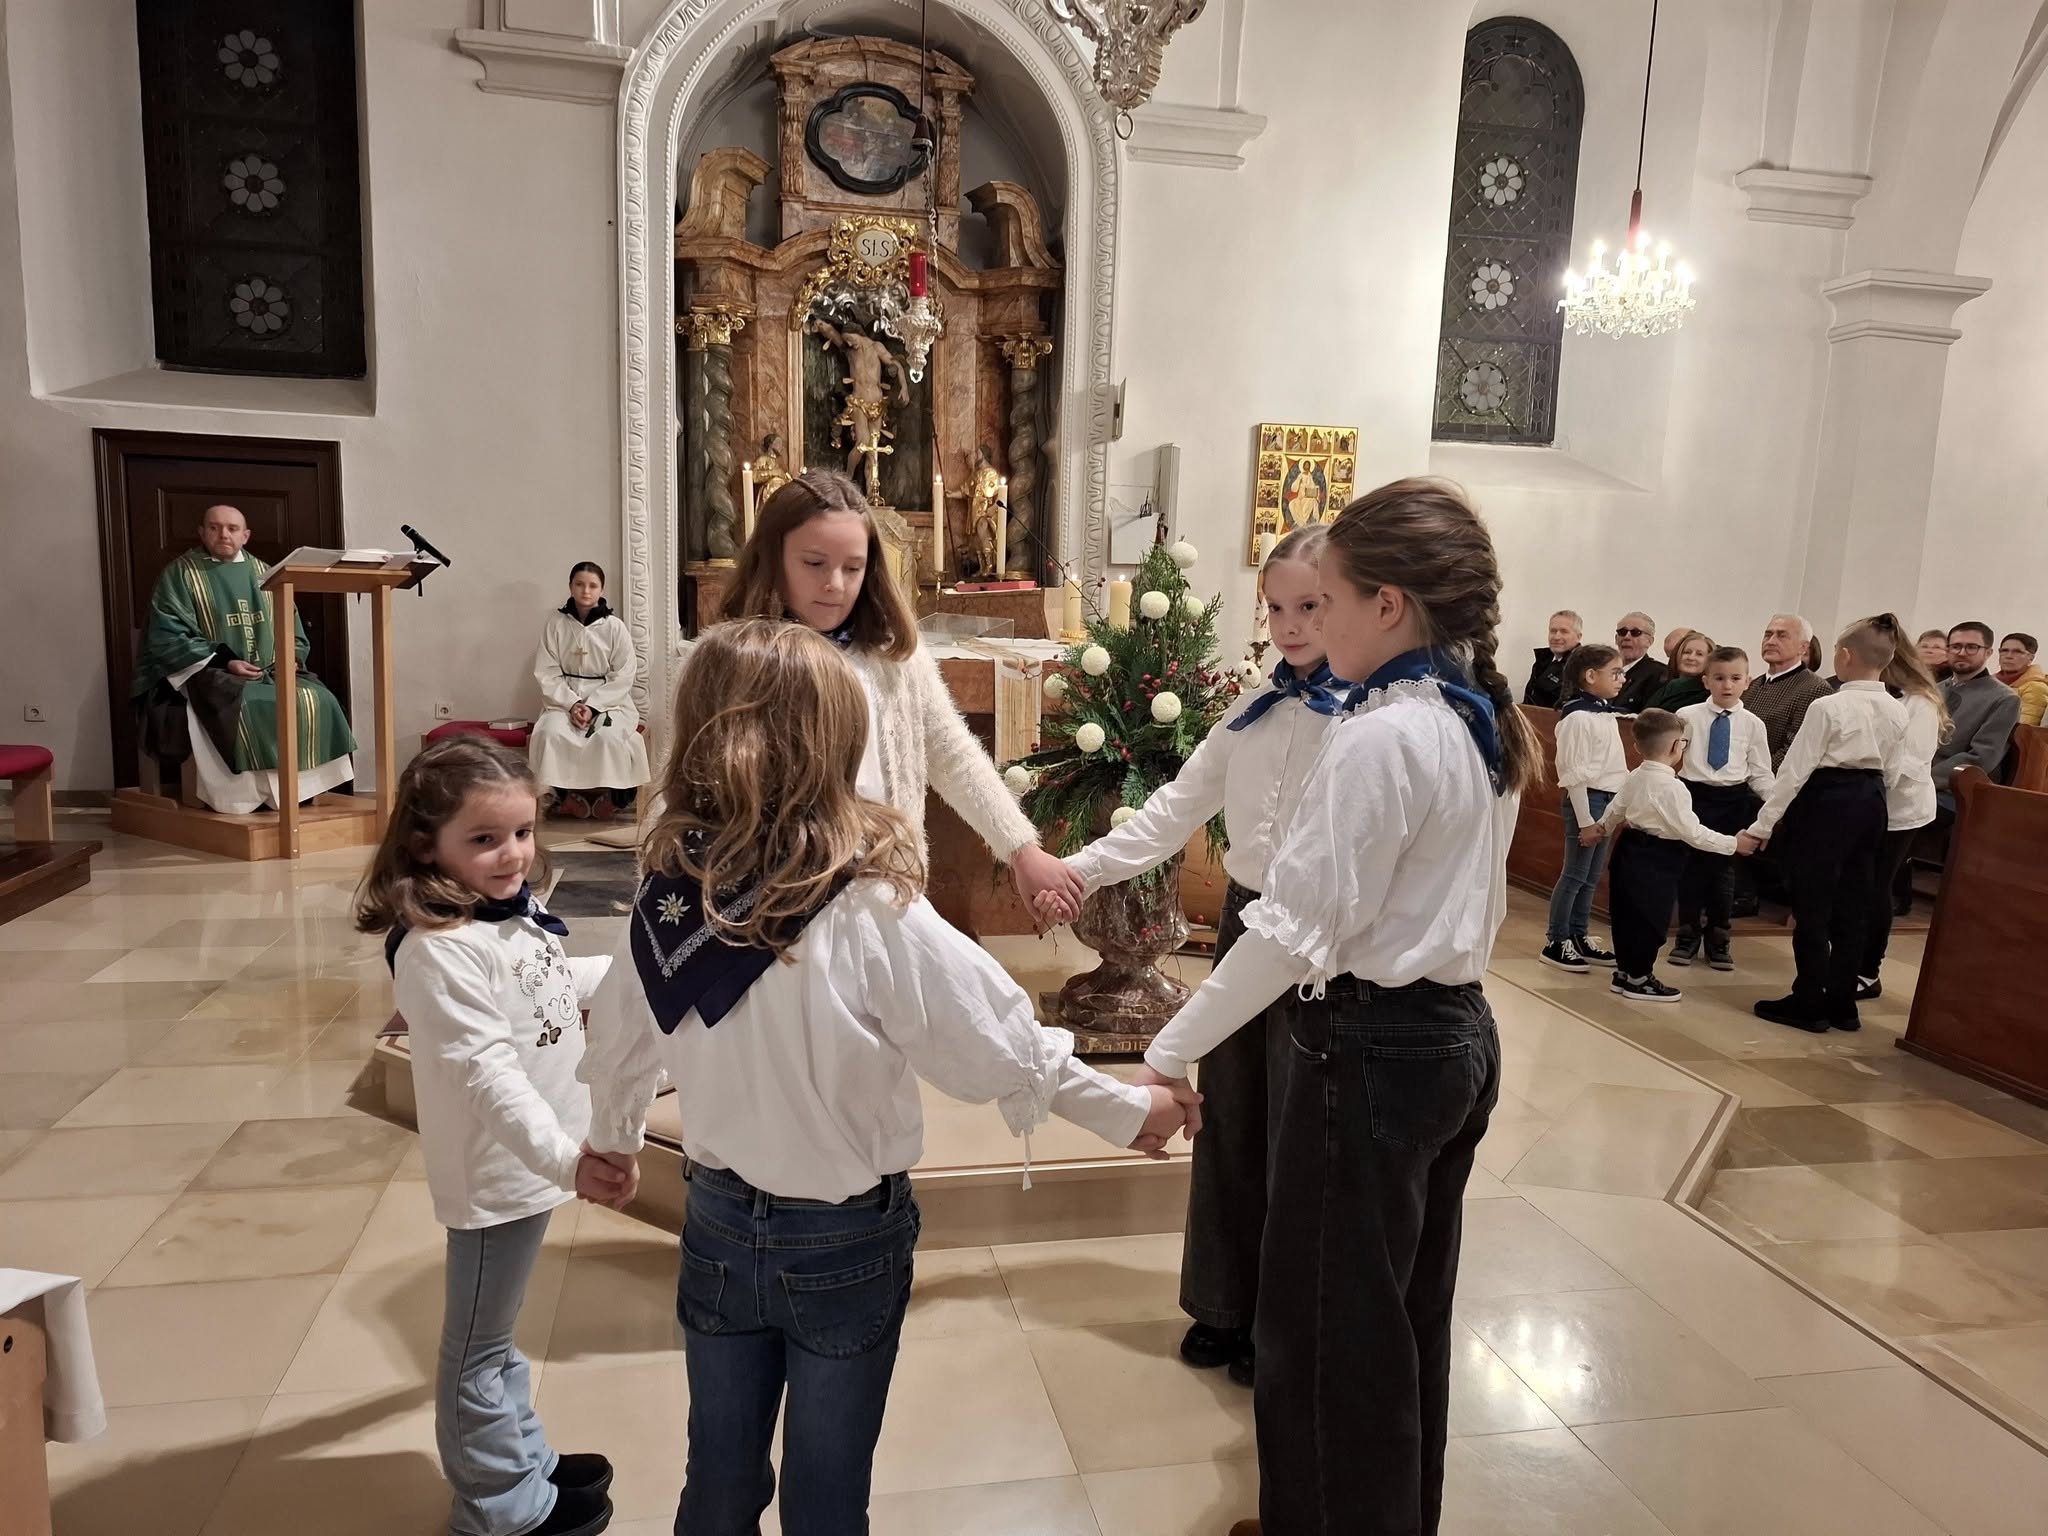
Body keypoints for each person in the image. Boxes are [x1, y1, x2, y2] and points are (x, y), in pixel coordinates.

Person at [572, 620, 1190, 1535]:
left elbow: (624, 1036)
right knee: (827, 1494)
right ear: (839, 746)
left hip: (717, 1222)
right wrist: (1128, 1110)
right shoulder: (870, 910)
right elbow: (997, 1045)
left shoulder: (669, 900)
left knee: (719, 1479)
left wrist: (613, 1140)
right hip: (844, 1239)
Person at [1130, 477, 1535, 1536]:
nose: (1315, 619)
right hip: (1453, 1034)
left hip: (1367, 1047)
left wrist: (1168, 1051)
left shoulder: (1380, 736)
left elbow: (1288, 932)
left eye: (1333, 598)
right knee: (1400, 1319)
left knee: (1322, 1336)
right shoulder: (1470, 715)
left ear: (1386, 605)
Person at [1041, 525, 1345, 1389]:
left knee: (1299, 1132)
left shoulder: (1370, 720)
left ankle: (1281, 1323)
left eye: (1311, 606)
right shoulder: (1251, 709)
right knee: (1231, 1119)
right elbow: (1173, 809)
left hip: (1322, 942)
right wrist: (1080, 869)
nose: (1290, 626)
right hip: (1251, 921)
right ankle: (1222, 1304)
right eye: (1276, 608)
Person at [354, 736, 623, 1536]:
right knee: (476, 1348)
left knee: (499, 1340)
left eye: (522, 832)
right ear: (423, 844)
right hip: (496, 1174)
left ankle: (523, 1463)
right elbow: (486, 1074)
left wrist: (638, 973)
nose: (513, 855)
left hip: (529, 1164)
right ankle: (497, 1509)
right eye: (484, 838)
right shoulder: (439, 951)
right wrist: (566, 1160)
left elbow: (547, 990)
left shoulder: (497, 919)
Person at [720, 469, 1083, 918]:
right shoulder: (731, 661)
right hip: (773, 907)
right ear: (773, 558)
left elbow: (952, 753)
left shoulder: (893, 659)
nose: (835, 583)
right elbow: (684, 791)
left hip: (885, 890)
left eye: (852, 567)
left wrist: (1022, 851)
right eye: (814, 564)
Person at [1737, 620, 1911, 1033]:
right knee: (1854, 904)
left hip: (1828, 801)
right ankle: (1842, 1004)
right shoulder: (1896, 708)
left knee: (1813, 903)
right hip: (1872, 802)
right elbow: (1895, 770)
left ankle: (1809, 1000)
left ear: (1845, 656)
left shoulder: (1828, 706)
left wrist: (1762, 825)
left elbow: (1794, 771)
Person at [131, 503, 357, 814]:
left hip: (271, 670)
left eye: (232, 528)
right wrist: (226, 661)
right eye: (214, 527)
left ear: (245, 536)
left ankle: (298, 793)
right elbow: (166, 637)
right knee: (247, 704)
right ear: (202, 533)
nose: (223, 534)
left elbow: (292, 629)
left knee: (319, 698)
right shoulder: (180, 575)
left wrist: (291, 658)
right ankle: (244, 799)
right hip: (210, 670)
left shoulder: (269, 575)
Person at [1587, 709, 1741, 1003]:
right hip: (1659, 857)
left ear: (1636, 746)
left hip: (1628, 849)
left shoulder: (1635, 775)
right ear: (1675, 746)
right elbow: (1692, 832)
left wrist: (1602, 828)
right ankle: (1639, 978)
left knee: (1626, 913)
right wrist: (1733, 843)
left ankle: (1625, 971)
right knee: (1651, 918)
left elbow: (1616, 808)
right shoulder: (1673, 787)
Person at [1858, 616, 1947, 1000]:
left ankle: (1867, 972)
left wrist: (1863, 773)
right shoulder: (1875, 692)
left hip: (1900, 809)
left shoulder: (1920, 702)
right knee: (1857, 884)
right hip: (1868, 803)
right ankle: (1847, 958)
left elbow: (1912, 763)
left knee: (1877, 886)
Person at [1670, 647, 1773, 969]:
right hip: (1694, 796)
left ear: (1747, 681)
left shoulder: (1753, 724)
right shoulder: (1687, 716)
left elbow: (1760, 771)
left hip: (1732, 800)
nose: (1727, 685)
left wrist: (1775, 805)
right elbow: (1672, 758)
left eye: (1735, 678)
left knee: (1723, 872)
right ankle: (1687, 934)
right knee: (1690, 870)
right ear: (1706, 681)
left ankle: (1719, 936)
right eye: (1719, 678)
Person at [529, 562, 649, 820]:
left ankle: (617, 799)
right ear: (570, 586)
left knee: (609, 737)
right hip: (563, 700)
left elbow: (624, 673)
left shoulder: (614, 627)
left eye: (593, 586)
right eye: (580, 584)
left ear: (601, 589)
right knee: (551, 733)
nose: (586, 591)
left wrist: (593, 706)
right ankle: (565, 797)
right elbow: (546, 671)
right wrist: (572, 704)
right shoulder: (556, 624)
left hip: (609, 701)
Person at [1542, 643, 1627, 974]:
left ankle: (1578, 934)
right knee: (1575, 873)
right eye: (1615, 673)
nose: (1622, 679)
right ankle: (1556, 940)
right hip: (1587, 800)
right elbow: (1573, 774)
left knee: (1591, 876)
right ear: (1590, 676)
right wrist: (1586, 820)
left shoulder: (1603, 713)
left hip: (1606, 799)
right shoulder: (1577, 717)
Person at [1933, 622, 2022, 809]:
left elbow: (1981, 757)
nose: (1962, 652)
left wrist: (1924, 779)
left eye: (1972, 647)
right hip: (1917, 781)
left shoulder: (2004, 698)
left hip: (1957, 790)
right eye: (1956, 646)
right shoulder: (1933, 690)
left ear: (1988, 653)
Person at [1744, 613, 1834, 768]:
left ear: (1803, 647)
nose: (1771, 641)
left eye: (1782, 636)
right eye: (1768, 635)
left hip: (1768, 779)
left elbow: (1795, 751)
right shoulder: (1752, 685)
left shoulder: (1815, 688)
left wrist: (1754, 775)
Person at [1522, 610, 1582, 708]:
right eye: (1553, 631)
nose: (1556, 637)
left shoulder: (1581, 666)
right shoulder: (1543, 660)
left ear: (1578, 636)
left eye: (1564, 631)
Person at [1611, 611, 1669, 712]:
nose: (1627, 637)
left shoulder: (1658, 674)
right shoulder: (1604, 671)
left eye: (1635, 633)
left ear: (1649, 641)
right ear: (1616, 639)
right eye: (1622, 632)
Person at [1645, 629, 1713, 712]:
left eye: (1699, 654)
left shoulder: (1709, 695)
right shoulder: (1662, 687)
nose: (1691, 657)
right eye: (1687, 652)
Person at [1996, 632, 2047, 728]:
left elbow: (2023, 728)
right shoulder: (1988, 682)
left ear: (2030, 658)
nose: (2009, 656)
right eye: (2004, 650)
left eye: (2017, 652)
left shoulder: (2035, 688)